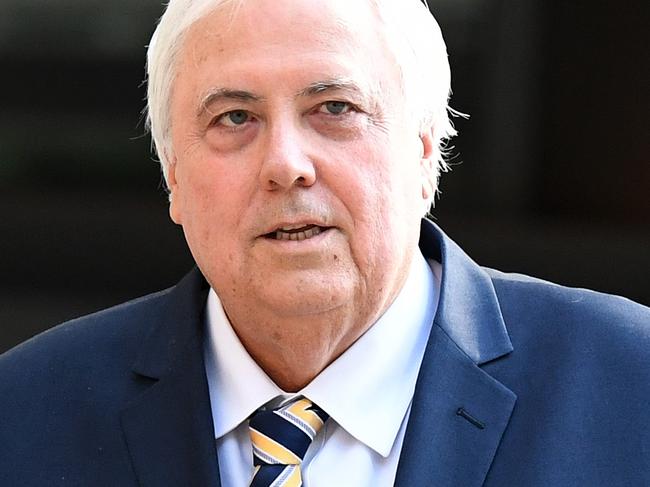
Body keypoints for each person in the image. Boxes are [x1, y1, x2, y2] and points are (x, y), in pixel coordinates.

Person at [1, 0, 648, 485]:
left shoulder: (627, 386)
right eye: (235, 118)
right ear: (173, 175)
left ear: (425, 151)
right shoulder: (24, 415)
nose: (286, 163)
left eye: (335, 108)